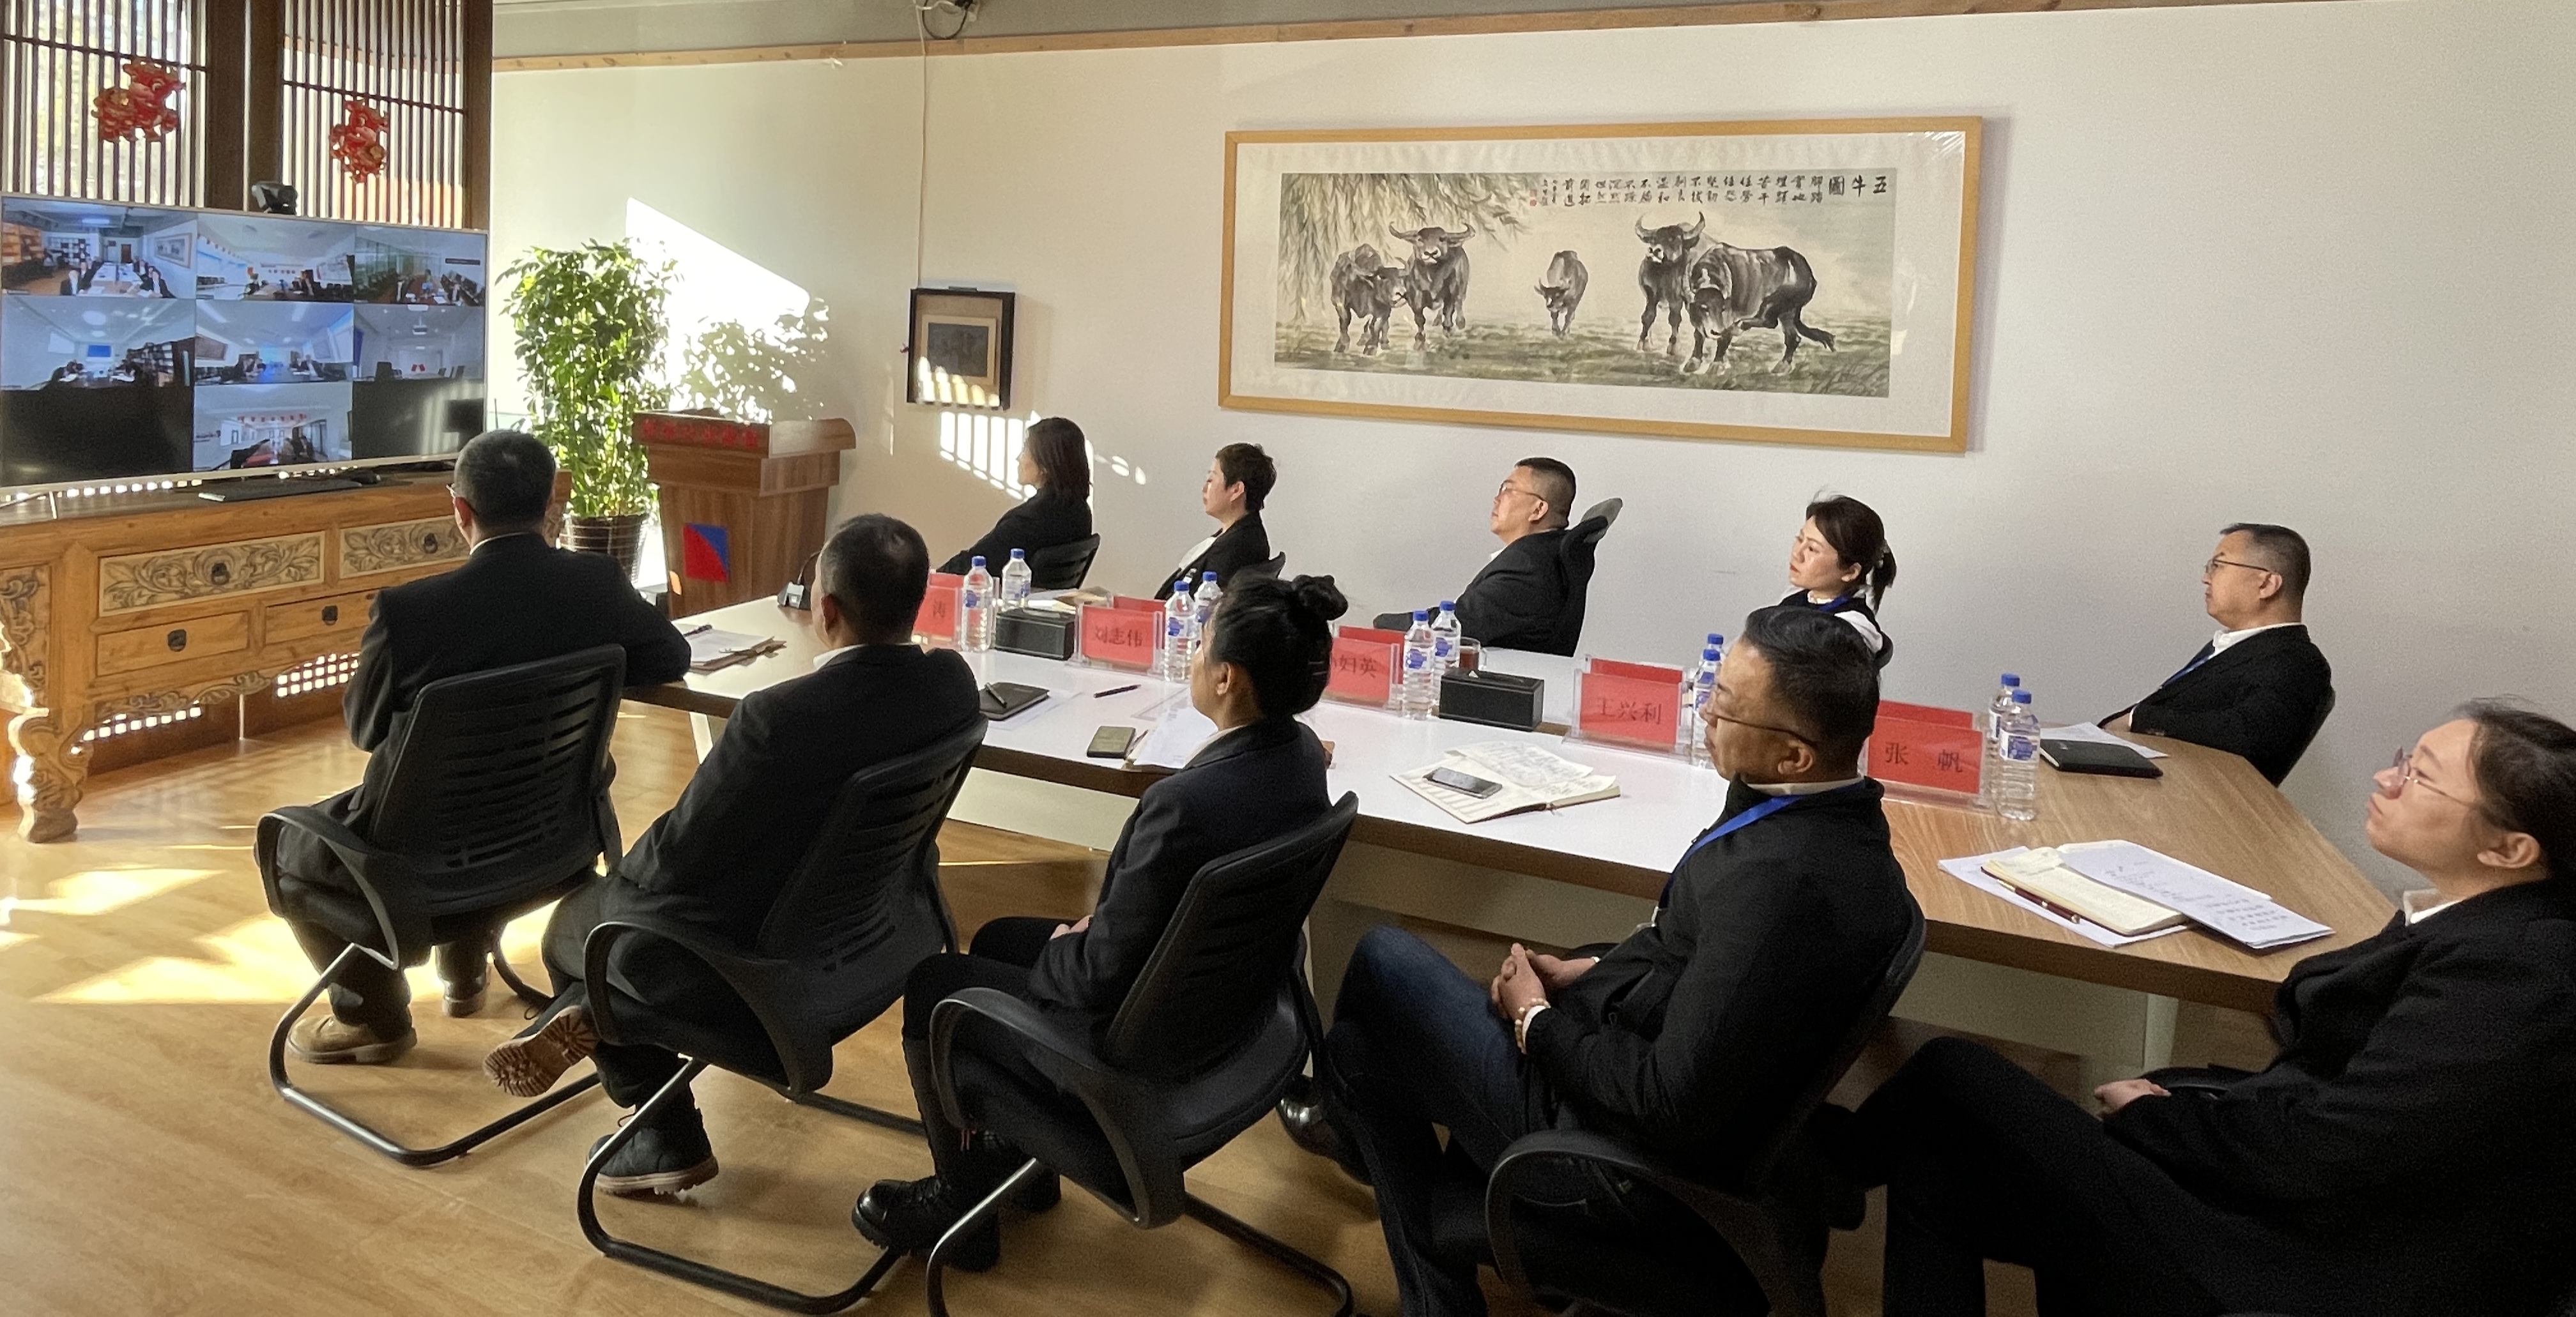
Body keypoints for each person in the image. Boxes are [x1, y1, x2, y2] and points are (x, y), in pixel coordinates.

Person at [1846, 701, 2576, 1317]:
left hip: (2307, 1263)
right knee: (1938, 1168)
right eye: (2404, 759)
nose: (2388, 778)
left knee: (1955, 1074)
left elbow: (2329, 1150)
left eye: (2420, 777)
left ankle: (1823, 1169)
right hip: (2296, 1204)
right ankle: (1825, 1176)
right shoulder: (2476, 921)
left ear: (2510, 848)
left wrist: (2158, 1118)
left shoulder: (2518, 973)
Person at [1301, 605, 1915, 1317]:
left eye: (1725, 707)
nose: (1707, 715)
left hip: (1613, 1167)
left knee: (1379, 965)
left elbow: (1664, 1105)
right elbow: (1705, 980)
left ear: (1795, 756)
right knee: (1359, 1051)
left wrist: (1536, 1023)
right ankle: (1432, 1291)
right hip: (1648, 1091)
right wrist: (1594, 975)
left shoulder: (1778, 887)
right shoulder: (1834, 824)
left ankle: (1415, 1258)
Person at [851, 574, 1350, 1270]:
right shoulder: (1301, 757)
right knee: (997, 940)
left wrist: (1072, 945)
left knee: (938, 986)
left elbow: (1094, 977)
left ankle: (960, 1210)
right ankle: (1020, 1168)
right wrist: (1103, 928)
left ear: (1228, 678)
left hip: (1136, 1057)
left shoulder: (1183, 805)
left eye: (1202, 645)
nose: (1194, 657)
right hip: (1231, 1020)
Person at [480, 514, 981, 1196]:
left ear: (827, 610)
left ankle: (662, 1129)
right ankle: (588, 1019)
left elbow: (676, 859)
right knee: (622, 930)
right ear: (916, 602)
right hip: (885, 940)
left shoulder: (777, 717)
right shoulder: (951, 684)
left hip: (766, 978)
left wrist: (619, 879)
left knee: (578, 931)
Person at [266, 430, 689, 1065]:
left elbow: (365, 730)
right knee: (481, 794)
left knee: (288, 848)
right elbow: (669, 657)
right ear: (552, 505)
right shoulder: (596, 583)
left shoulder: (411, 613)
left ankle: (372, 1018)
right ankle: (463, 976)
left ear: (460, 510)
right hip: (555, 842)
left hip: (424, 870)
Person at [2103, 522, 2333, 784]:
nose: (2206, 578)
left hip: (2192, 798)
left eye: (2218, 566)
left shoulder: (2298, 662)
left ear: (2266, 584)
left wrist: (2140, 718)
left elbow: (2247, 735)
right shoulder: (2235, 647)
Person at [1374, 457, 1579, 653]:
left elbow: (1460, 625)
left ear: (1538, 509)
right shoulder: (1545, 552)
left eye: (1508, 490)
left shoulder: (1528, 568)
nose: (1496, 499)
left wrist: (1382, 625)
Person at [937, 416, 1093, 575]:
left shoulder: (1027, 523)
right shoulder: (1081, 513)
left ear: (1045, 466)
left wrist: (932, 577)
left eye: (1025, 451)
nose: (1018, 458)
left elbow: (972, 565)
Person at [1781, 494, 1896, 664]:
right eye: (1799, 539)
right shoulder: (1796, 596)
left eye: (1812, 549)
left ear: (1850, 572)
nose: (1797, 553)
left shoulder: (1850, 630)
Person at [1153, 442, 1275, 598]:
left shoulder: (1235, 549)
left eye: (1211, 480)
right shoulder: (1240, 534)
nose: (1204, 488)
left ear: (1236, 490)